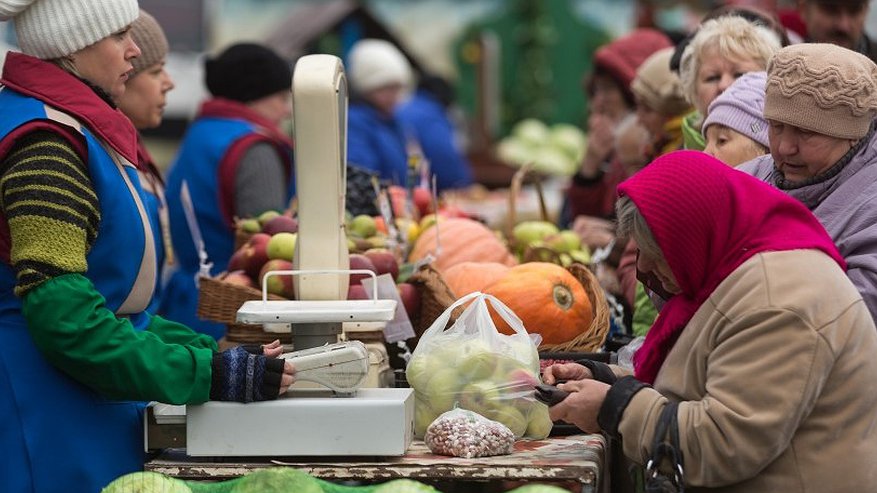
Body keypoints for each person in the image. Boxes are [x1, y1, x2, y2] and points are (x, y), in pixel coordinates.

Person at [0, 1, 295, 492]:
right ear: (72, 47)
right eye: (120, 37)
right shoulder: (47, 144)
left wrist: (208, 351)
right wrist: (207, 372)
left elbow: (117, 304)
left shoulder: (76, 130)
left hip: (84, 402)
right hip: (45, 419)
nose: (134, 52)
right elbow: (66, 322)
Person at [544, 150, 877, 492]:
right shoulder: (738, 270)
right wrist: (608, 379)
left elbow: (724, 444)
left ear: (691, 240)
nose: (643, 268)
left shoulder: (778, 301)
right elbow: (719, 377)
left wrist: (615, 407)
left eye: (655, 255)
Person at [163, 42, 295, 339]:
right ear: (254, 95)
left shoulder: (201, 131)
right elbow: (266, 244)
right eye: (280, 97)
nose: (286, 110)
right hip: (231, 309)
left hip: (186, 299)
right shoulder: (255, 149)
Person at [739, 43, 877, 322]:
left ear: (852, 135)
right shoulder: (745, 179)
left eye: (806, 132)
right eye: (776, 126)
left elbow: (855, 315)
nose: (784, 147)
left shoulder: (870, 208)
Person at [116, 9, 175, 314]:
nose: (170, 83)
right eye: (155, 72)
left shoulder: (134, 149)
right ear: (124, 76)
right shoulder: (103, 152)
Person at [678, 15, 782, 150]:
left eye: (740, 75)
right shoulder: (673, 160)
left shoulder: (787, 157)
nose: (724, 85)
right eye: (712, 77)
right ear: (694, 90)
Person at [346, 38, 413, 185]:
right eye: (386, 88)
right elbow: (360, 179)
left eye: (397, 88)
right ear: (367, 88)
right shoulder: (353, 125)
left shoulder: (393, 122)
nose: (394, 96)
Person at [397, 74, 474, 192]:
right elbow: (444, 158)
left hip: (405, 191)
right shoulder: (430, 116)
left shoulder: (404, 109)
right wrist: (462, 187)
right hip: (431, 193)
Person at [630, 47, 691, 159]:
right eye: (636, 106)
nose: (639, 120)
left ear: (672, 114)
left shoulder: (683, 157)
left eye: (647, 109)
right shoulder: (659, 148)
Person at [702, 71, 770, 166]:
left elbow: (756, 128)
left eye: (722, 141)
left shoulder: (755, 127)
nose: (705, 153)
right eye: (706, 143)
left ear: (764, 150)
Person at [798, 0, 876, 62]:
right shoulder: (787, 66)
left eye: (854, 11)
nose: (843, 25)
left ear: (866, 12)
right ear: (804, 9)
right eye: (830, 9)